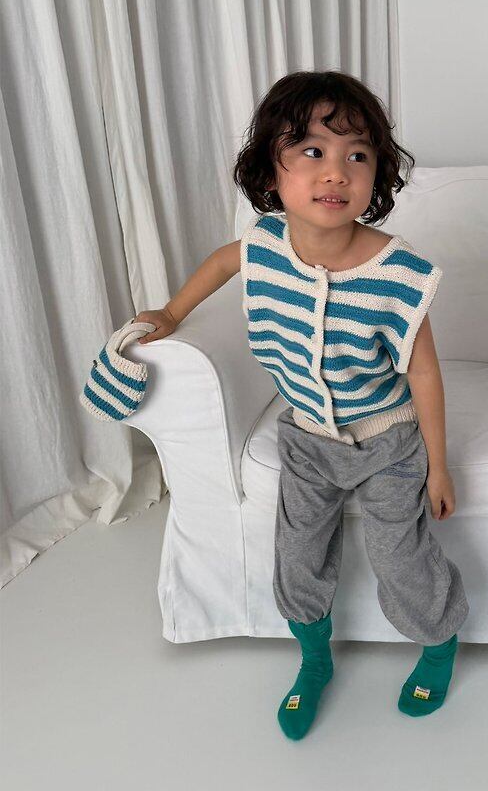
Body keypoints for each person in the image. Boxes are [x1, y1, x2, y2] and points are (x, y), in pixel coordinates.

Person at [134, 70, 470, 740]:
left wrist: (438, 466)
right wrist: (172, 312)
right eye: (312, 150)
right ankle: (314, 661)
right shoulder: (264, 246)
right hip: (309, 438)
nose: (336, 171)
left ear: (377, 176)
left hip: (387, 440)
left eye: (357, 154)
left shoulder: (398, 271)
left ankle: (438, 643)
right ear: (270, 169)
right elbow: (224, 262)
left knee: (398, 554)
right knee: (296, 555)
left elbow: (425, 373)